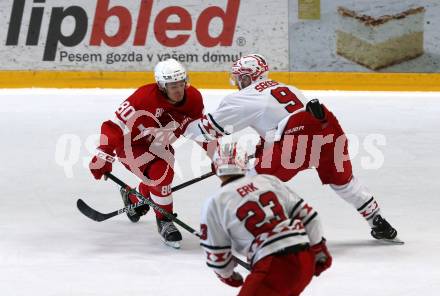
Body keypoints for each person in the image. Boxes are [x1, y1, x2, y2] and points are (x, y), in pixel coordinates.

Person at [186, 54, 401, 243]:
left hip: (298, 138)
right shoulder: (287, 87)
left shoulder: (243, 98)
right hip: (327, 127)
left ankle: (259, 227)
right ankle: (378, 221)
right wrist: (263, 151)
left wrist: (179, 125)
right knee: (343, 181)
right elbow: (283, 123)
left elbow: (205, 131)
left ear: (247, 77)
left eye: (239, 77)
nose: (237, 83)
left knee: (251, 179)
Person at [89, 58, 204, 248]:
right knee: (162, 176)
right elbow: (114, 126)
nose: (178, 89)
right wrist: (104, 153)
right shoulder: (143, 98)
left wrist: (219, 158)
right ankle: (165, 221)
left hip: (160, 145)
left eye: (181, 83)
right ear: (161, 85)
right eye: (172, 85)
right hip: (132, 146)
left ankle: (133, 197)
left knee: (160, 181)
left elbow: (200, 130)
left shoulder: (194, 98)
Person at [200, 141, 332, 296]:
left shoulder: (215, 202)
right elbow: (310, 217)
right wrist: (318, 249)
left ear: (215, 168)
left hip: (273, 266)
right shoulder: (268, 180)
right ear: (245, 163)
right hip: (304, 259)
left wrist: (227, 275)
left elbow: (217, 254)